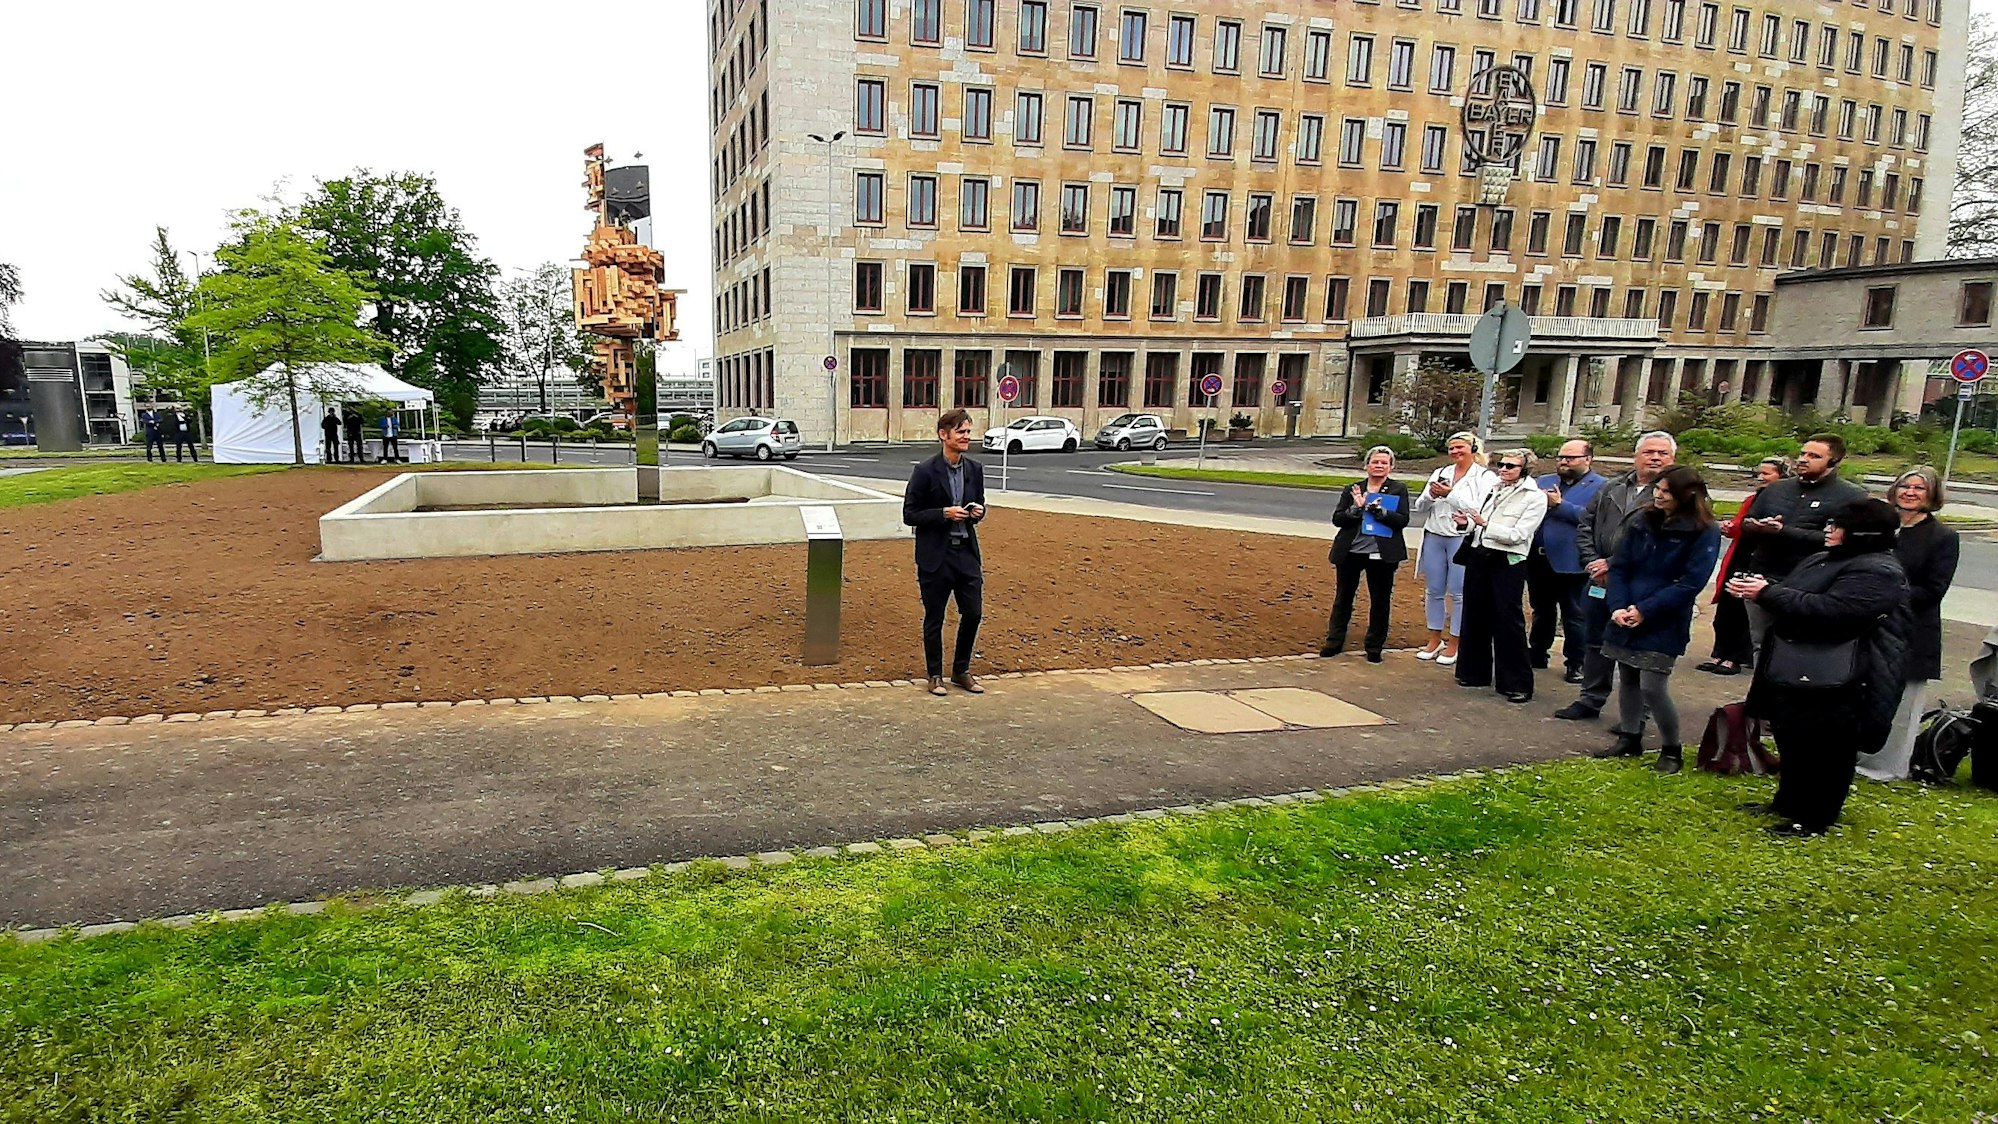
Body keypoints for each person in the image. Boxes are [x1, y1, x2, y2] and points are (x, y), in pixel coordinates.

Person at [1729, 499, 1910, 836]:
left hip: (1846, 673)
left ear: (1861, 533)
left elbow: (1838, 610)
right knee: (1792, 735)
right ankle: (1788, 800)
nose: (1829, 530)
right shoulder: (1824, 557)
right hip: (1802, 663)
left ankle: (1815, 817)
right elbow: (1796, 592)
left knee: (1828, 748)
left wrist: (1768, 594)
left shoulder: (1878, 570)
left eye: (1837, 525)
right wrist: (1761, 588)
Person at [1592, 466, 1723, 773]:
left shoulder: (1704, 531)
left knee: (1653, 684)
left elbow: (1692, 581)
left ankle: (1671, 748)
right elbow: (1621, 566)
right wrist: (1618, 606)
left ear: (1686, 495)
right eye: (1657, 489)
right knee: (1627, 677)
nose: (1658, 495)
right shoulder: (1642, 521)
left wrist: (1646, 610)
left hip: (1664, 616)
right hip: (1627, 608)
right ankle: (1630, 736)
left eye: (1666, 491)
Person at [1556, 431, 1678, 723]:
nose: (1656, 457)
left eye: (1663, 453)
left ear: (1673, 458)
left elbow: (1668, 542)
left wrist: (1614, 564)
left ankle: (1636, 715)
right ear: (1636, 456)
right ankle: (1590, 699)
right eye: (1650, 452)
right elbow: (1586, 523)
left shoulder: (1676, 496)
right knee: (1595, 640)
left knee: (1634, 650)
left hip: (1640, 585)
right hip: (1598, 580)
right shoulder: (1613, 487)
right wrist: (1593, 561)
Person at [1858, 467, 1960, 782]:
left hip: (1912, 630)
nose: (1910, 493)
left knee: (1902, 701)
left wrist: (1886, 593)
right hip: (1868, 624)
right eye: (1905, 486)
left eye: (1919, 488)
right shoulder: (1881, 527)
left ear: (1932, 495)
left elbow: (1933, 590)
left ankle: (1886, 766)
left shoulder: (1942, 537)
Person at [1736, 433, 1868, 660]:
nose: (1804, 459)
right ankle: (1761, 695)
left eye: (1814, 456)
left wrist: (1784, 531)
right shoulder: (1776, 489)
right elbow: (1747, 523)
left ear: (1833, 461)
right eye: (1802, 453)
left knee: (1799, 649)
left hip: (1811, 585)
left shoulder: (1851, 496)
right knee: (1762, 646)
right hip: (1763, 575)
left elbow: (1842, 541)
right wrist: (1755, 525)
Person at [903, 408, 988, 697]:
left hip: (966, 553)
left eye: (968, 431)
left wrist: (977, 512)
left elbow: (979, 505)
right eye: (961, 432)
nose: (967, 437)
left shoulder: (974, 470)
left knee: (973, 612)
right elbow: (910, 514)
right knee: (935, 617)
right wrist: (943, 513)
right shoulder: (925, 471)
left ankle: (961, 671)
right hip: (935, 556)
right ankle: (935, 675)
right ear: (944, 435)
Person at [1454, 449, 1546, 704]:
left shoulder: (1534, 497)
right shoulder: (1495, 489)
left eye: (1510, 466)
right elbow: (1479, 523)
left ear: (1525, 470)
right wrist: (1466, 523)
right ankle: (1474, 672)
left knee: (1507, 620)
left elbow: (1519, 535)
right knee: (1475, 614)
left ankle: (1517, 683)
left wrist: (1485, 525)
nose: (1503, 470)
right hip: (1480, 555)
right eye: (1501, 465)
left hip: (1507, 560)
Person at [1698, 456, 1790, 676]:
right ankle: (1721, 653)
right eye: (1760, 473)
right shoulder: (1753, 498)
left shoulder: (1786, 500)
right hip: (1742, 554)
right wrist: (1730, 527)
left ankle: (1735, 657)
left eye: (1766, 473)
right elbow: (1742, 523)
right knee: (1727, 608)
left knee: (1744, 611)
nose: (1761, 478)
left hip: (1763, 560)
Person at [1411, 431, 1496, 668]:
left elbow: (1479, 509)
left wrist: (1451, 495)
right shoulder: (1441, 473)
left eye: (1461, 448)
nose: (1456, 452)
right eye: (1452, 449)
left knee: (1459, 593)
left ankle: (1455, 642)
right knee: (1434, 590)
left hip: (1461, 538)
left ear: (1473, 449)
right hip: (1435, 535)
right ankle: (1434, 638)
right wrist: (1431, 493)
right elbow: (1420, 506)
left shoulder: (1485, 477)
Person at [1323, 446, 1412, 663]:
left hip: (1381, 554)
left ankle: (1374, 646)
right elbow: (1338, 519)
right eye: (1375, 462)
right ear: (1366, 465)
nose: (1379, 466)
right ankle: (1334, 641)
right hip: (1351, 551)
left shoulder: (1397, 489)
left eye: (1384, 463)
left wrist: (1378, 511)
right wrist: (1355, 509)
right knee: (1343, 597)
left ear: (1391, 467)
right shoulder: (1353, 489)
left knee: (1380, 600)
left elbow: (1402, 520)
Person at [1528, 439, 1607, 683]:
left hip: (1572, 562)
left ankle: (1576, 663)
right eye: (1561, 457)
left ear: (1588, 459)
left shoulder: (1602, 487)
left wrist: (1560, 505)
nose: (1564, 462)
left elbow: (1593, 520)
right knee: (1541, 611)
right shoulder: (1544, 481)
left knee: (1575, 615)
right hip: (1539, 559)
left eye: (1570, 458)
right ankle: (1537, 653)